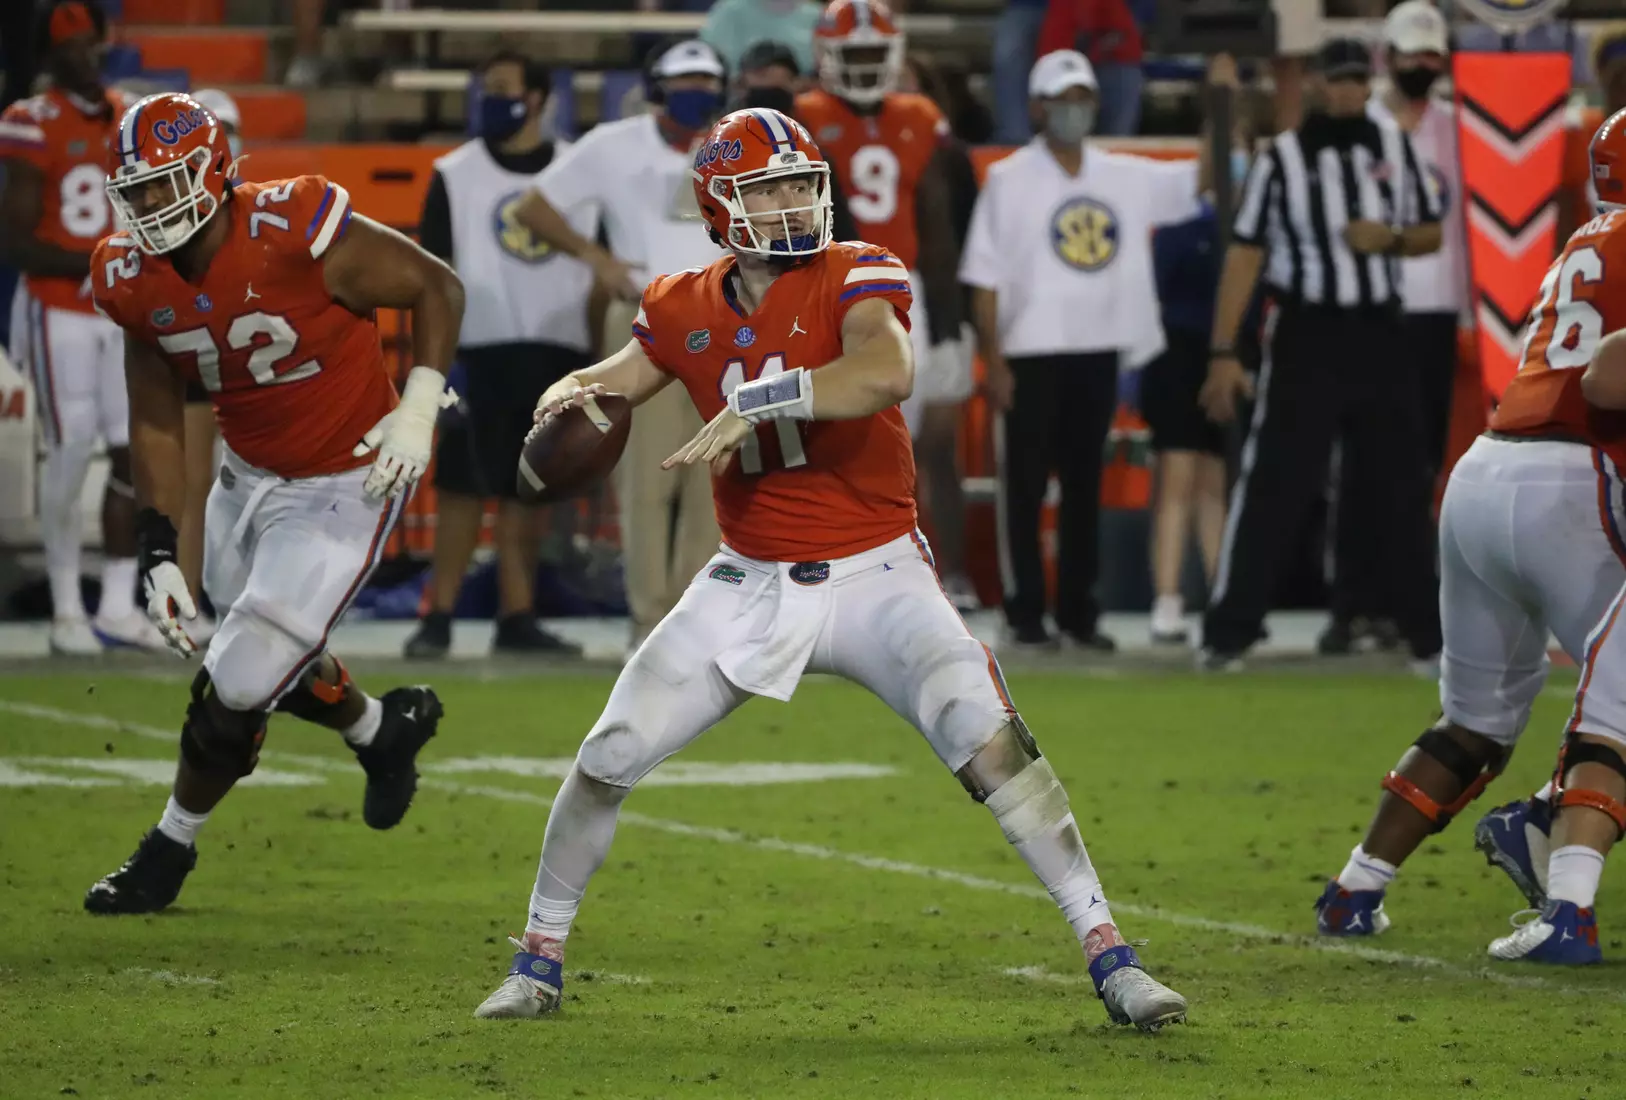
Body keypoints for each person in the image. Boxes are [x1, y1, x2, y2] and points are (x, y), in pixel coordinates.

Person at [471, 107, 1188, 1031]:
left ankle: (1112, 955)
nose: (791, 202)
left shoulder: (856, 271)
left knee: (988, 732)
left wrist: (764, 399)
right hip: (749, 575)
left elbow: (885, 371)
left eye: (799, 183)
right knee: (608, 754)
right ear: (720, 206)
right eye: (766, 188)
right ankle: (537, 961)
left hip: (876, 570)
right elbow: (612, 380)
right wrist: (564, 403)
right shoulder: (682, 301)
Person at [81, 92, 459, 914]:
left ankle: (168, 848)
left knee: (242, 678)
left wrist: (418, 407)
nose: (149, 205)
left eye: (165, 183)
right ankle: (378, 732)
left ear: (214, 169)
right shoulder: (129, 278)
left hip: (346, 480)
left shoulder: (294, 225)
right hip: (244, 480)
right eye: (135, 189)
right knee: (270, 652)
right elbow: (152, 415)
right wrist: (156, 547)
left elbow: (436, 287)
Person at [1314, 110, 1626, 959]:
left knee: (1475, 720)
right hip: (1571, 481)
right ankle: (1565, 904)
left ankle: (1354, 888)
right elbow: (1608, 377)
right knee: (1616, 720)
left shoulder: (1583, 244)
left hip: (1486, 471)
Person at [1199, 37, 1442, 671]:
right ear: (1316, 84)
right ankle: (1229, 632)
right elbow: (1246, 252)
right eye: (1336, 79)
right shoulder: (1282, 158)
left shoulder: (1394, 145)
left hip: (1381, 332)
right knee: (1277, 482)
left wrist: (1386, 239)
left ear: (1369, 83)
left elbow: (1431, 231)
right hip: (1307, 331)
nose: (1346, 91)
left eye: (1357, 79)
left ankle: (1428, 637)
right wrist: (1224, 348)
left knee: (1400, 482)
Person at [962, 49, 1212, 651]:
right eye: (1062, 99)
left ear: (1095, 105)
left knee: (1082, 487)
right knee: (1023, 488)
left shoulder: (1122, 173)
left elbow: (1200, 180)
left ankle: (1079, 612)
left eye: (1081, 99)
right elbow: (984, 278)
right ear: (1038, 107)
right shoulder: (1008, 179)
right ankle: (1025, 613)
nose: (1073, 110)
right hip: (1030, 352)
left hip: (1097, 350)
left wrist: (1224, 104)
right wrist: (993, 359)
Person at [513, 38, 727, 652]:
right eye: (685, 82)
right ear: (657, 86)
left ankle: (695, 625)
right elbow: (533, 207)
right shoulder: (614, 144)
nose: (697, 94)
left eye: (707, 83)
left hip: (724, 317)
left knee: (713, 479)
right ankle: (648, 622)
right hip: (647, 320)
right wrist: (597, 259)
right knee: (648, 479)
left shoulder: (731, 145)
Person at [403, 52, 589, 659]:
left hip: (555, 347)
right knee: (458, 488)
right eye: (487, 89)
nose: (492, 99)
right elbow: (431, 273)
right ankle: (439, 614)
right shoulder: (453, 172)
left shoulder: (577, 169)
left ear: (538, 96)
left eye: (504, 89)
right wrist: (437, 359)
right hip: (477, 348)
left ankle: (517, 614)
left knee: (526, 492)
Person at [797, 0, 975, 609]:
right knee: (838, 439)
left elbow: (949, 215)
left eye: (875, 54)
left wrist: (953, 316)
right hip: (836, 291)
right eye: (855, 55)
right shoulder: (804, 116)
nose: (866, 68)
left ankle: (944, 576)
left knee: (929, 443)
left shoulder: (920, 116)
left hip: (911, 290)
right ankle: (835, 574)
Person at [0, 0, 153, 653]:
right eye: (70, 49)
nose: (83, 58)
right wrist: (97, 263)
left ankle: (117, 604)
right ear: (50, 58)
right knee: (68, 448)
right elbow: (16, 235)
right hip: (57, 306)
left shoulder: (133, 116)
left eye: (89, 44)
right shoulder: (30, 122)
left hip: (115, 312)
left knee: (132, 452)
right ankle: (66, 606)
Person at [1318, 0, 1465, 658]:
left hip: (1435, 313)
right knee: (1359, 466)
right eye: (1412, 56)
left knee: (1419, 466)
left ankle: (1410, 605)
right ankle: (1353, 603)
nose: (1422, 68)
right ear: (1389, 58)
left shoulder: (1461, 130)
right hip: (1370, 311)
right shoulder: (1360, 126)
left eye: (1432, 58)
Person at [171, 86, 242, 643]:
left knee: (267, 483)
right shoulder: (171, 211)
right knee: (196, 483)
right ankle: (191, 604)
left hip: (260, 361)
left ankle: (252, 604)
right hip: (206, 355)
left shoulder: (261, 207)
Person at [731, 39, 860, 244]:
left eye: (783, 79)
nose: (772, 86)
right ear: (740, 82)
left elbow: (839, 232)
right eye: (763, 76)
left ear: (796, 86)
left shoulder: (814, 160)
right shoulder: (719, 151)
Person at [700, 0, 823, 76]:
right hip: (742, 99)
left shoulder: (817, 14)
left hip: (807, 98)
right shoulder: (728, 11)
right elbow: (712, 60)